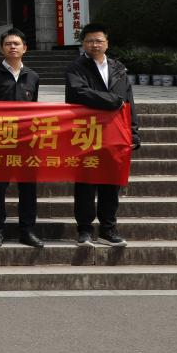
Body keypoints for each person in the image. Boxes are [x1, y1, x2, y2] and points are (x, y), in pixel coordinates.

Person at [66, 22, 140, 248]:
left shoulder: (118, 68)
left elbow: (129, 103)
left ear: (107, 43)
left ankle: (109, 229)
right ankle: (85, 230)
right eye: (89, 40)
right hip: (87, 133)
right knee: (86, 184)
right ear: (83, 43)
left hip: (115, 134)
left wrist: (134, 131)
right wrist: (112, 102)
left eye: (99, 40)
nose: (94, 44)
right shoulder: (76, 67)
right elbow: (79, 93)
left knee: (111, 183)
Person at [0, 28, 45, 248]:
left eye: (17, 43)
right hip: (0, 140)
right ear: (1, 48)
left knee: (28, 187)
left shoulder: (33, 76)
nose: (13, 47)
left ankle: (27, 229)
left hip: (27, 142)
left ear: (24, 48)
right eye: (8, 44)